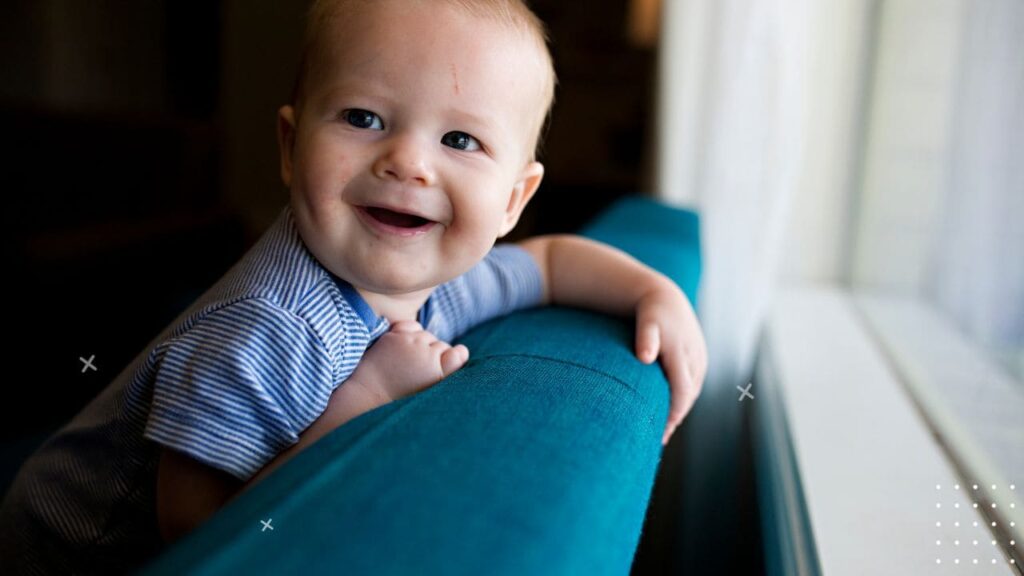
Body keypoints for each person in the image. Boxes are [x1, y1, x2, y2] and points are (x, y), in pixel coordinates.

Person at [0, 0, 707, 573]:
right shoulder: (268, 327)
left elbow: (550, 263)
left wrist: (654, 292)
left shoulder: (437, 276)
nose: (407, 162)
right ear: (290, 147)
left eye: (459, 141)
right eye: (363, 118)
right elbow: (202, 530)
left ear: (514, 202)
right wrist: (365, 396)